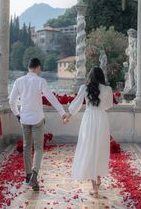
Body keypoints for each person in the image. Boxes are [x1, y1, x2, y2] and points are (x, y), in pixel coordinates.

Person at [9, 57, 67, 191]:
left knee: (26, 147)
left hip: (24, 119)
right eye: (40, 68)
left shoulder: (19, 81)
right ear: (37, 67)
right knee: (38, 148)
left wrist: (17, 114)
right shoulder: (41, 81)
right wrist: (62, 112)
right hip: (37, 119)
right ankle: (34, 175)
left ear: (29, 67)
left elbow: (11, 101)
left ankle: (28, 175)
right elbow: (51, 98)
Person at [64, 66, 113, 198]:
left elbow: (76, 104)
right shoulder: (108, 89)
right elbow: (108, 106)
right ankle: (97, 178)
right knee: (100, 148)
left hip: (89, 119)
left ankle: (94, 187)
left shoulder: (84, 88)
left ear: (90, 77)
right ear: (102, 76)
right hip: (102, 119)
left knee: (90, 149)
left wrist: (68, 115)